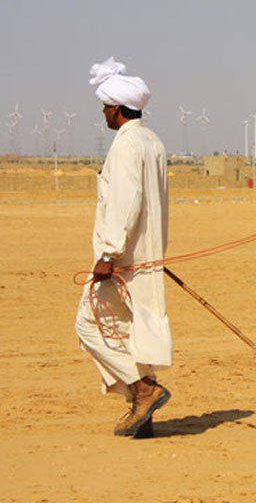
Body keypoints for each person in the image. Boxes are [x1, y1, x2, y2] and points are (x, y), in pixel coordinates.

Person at [75, 57, 172, 437]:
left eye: (104, 106)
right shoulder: (152, 141)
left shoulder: (127, 144)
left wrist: (109, 254)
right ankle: (142, 411)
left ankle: (144, 391)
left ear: (116, 108)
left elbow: (126, 201)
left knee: (90, 324)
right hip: (145, 255)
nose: (103, 113)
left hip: (122, 260)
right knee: (129, 332)